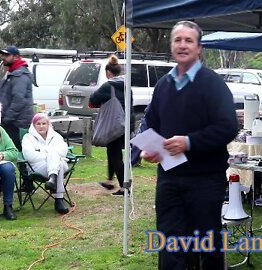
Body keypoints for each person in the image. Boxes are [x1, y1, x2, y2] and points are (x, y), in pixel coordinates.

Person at [140, 21, 237, 270]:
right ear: (171, 45)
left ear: (199, 48)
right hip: (169, 179)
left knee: (207, 244)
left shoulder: (212, 83)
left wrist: (189, 142)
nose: (182, 45)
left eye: (188, 40)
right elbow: (150, 121)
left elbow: (228, 127)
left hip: (205, 180)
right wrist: (148, 146)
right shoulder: (163, 85)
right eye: (178, 40)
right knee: (170, 243)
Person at [89, 55, 134, 196]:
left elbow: (92, 102)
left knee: (115, 156)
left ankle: (124, 188)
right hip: (126, 124)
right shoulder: (127, 85)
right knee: (112, 152)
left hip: (114, 126)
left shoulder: (108, 85)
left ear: (108, 72)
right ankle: (109, 181)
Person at [21, 113, 70, 214]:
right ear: (33, 125)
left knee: (57, 162)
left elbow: (64, 151)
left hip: (58, 164)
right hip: (37, 167)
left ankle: (52, 179)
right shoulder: (28, 138)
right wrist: (50, 155)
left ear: (48, 124)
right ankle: (59, 200)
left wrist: (42, 151)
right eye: (38, 124)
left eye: (44, 123)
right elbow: (30, 156)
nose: (41, 126)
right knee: (58, 163)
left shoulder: (56, 136)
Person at [0, 45, 34, 151]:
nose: (3, 57)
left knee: (17, 151)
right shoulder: (12, 72)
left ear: (16, 57)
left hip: (16, 123)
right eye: (3, 54)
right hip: (12, 121)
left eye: (7, 55)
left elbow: (19, 100)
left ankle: (24, 167)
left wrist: (6, 119)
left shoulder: (20, 75)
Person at [0, 101, 19, 222]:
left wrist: (2, 155)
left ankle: (8, 206)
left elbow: (14, 151)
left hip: (0, 162)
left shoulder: (1, 131)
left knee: (8, 169)